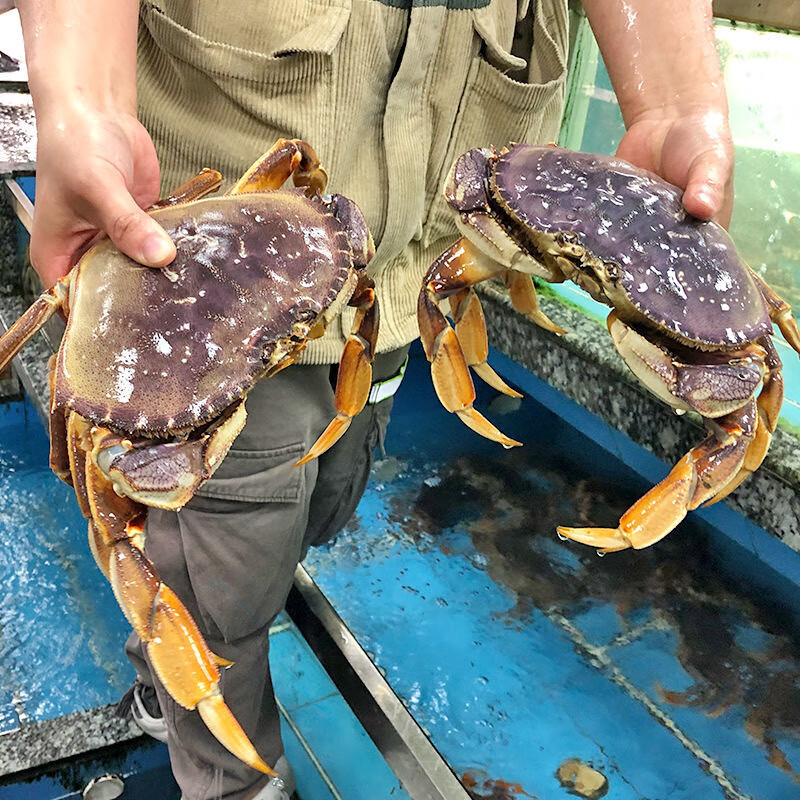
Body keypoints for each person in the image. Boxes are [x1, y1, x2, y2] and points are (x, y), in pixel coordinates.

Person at [15, 1, 734, 799]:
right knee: (217, 577)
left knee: (324, 502)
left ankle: (182, 654)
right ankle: (228, 770)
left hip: (389, 271)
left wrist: (675, 104)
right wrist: (82, 100)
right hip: (183, 279)